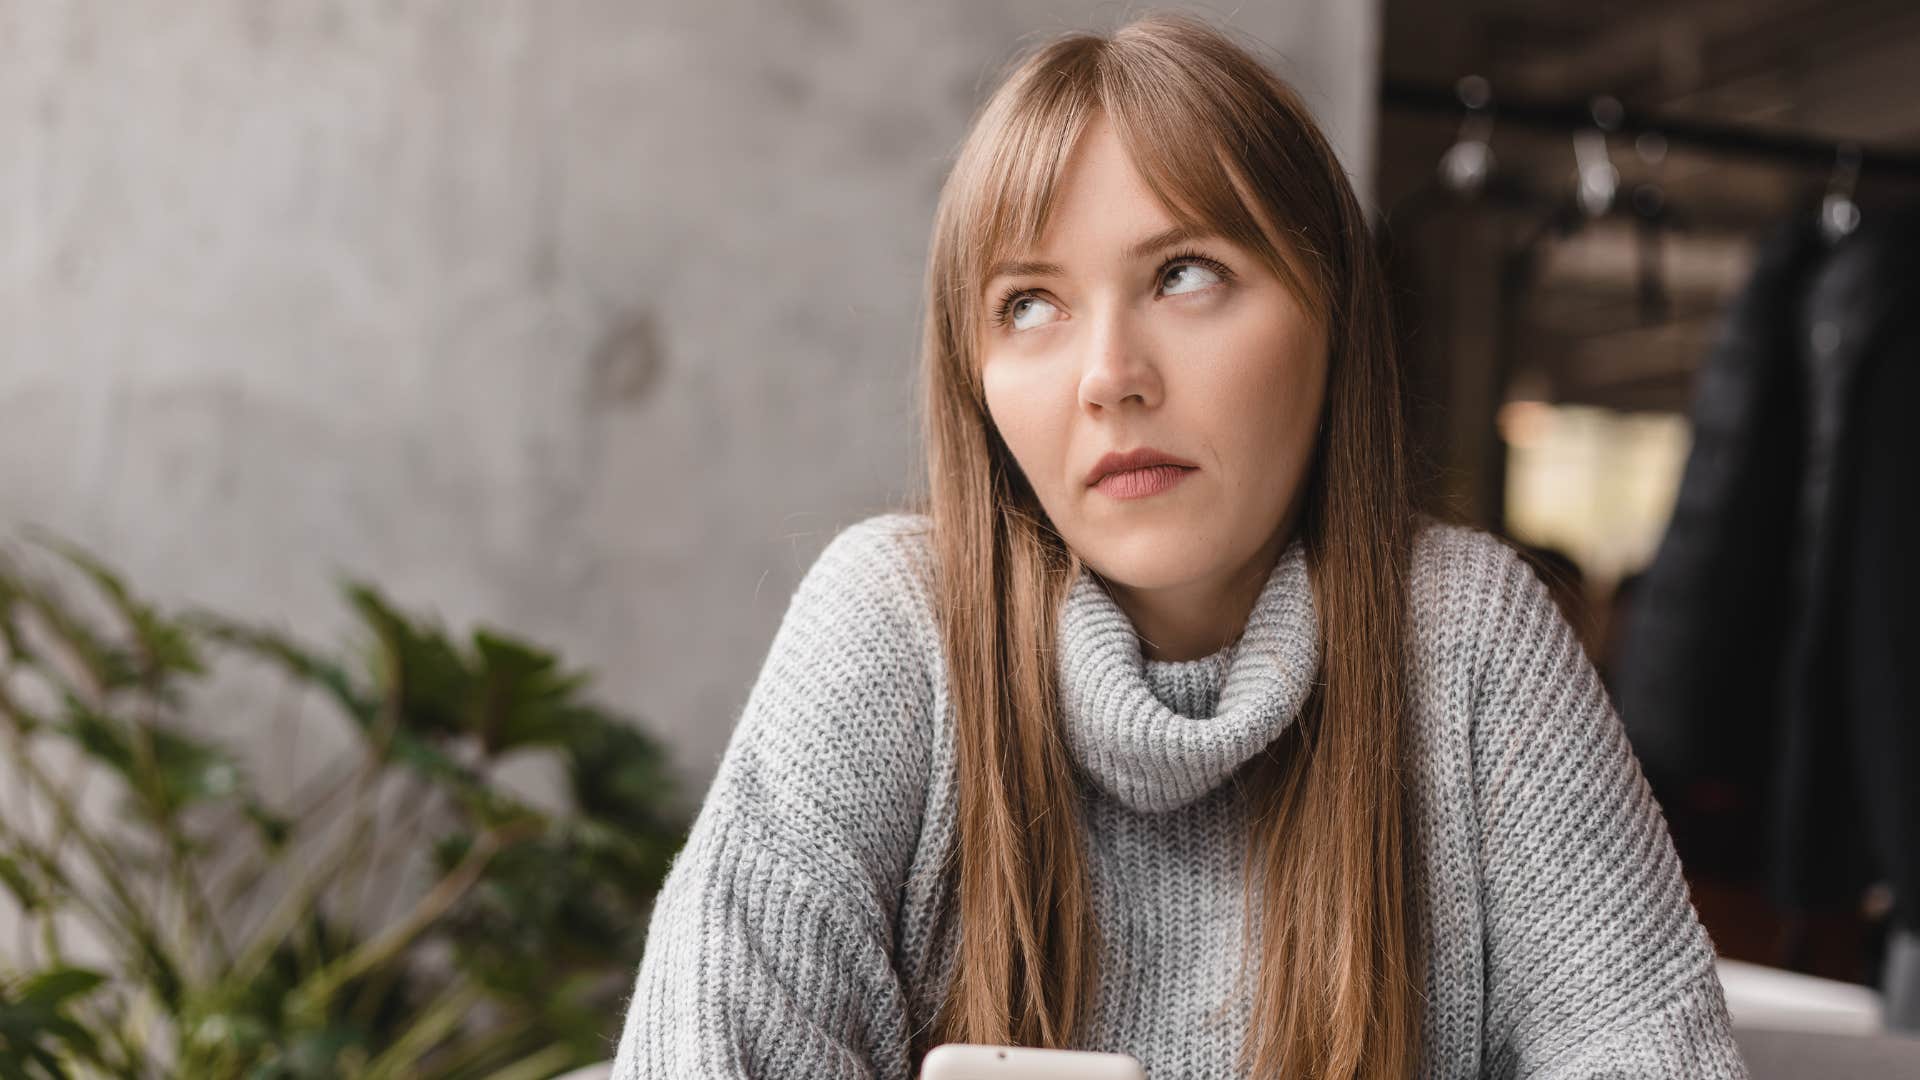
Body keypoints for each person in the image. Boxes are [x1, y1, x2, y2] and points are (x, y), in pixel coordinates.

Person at [610, 11, 1749, 1079]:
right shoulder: (898, 622)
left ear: (1331, 313)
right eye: (1029, 304)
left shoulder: (1463, 641)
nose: (1111, 377)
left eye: (1186, 275)